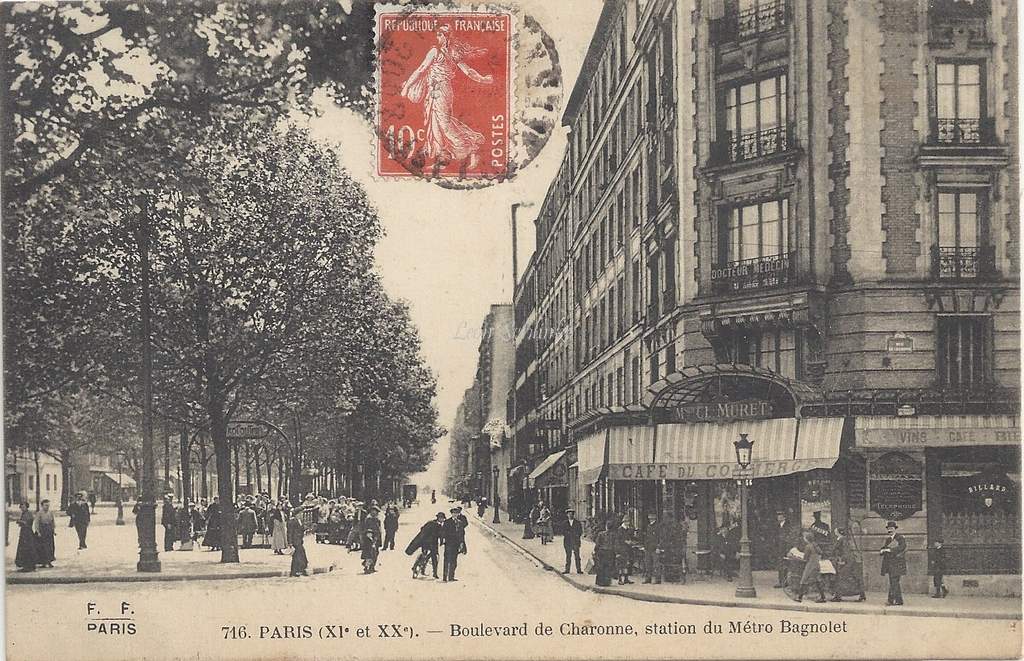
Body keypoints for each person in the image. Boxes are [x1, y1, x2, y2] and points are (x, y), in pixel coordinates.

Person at [830, 525, 866, 602]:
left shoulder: (841, 540)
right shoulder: (843, 539)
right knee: (851, 577)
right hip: (848, 560)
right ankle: (862, 594)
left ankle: (838, 596)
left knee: (841, 577)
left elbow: (844, 551)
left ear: (839, 533)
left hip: (846, 561)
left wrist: (843, 560)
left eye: (836, 531)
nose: (834, 531)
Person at [408, 512, 445, 579]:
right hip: (427, 543)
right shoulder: (432, 523)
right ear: (438, 518)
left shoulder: (436, 524)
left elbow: (441, 534)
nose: (442, 520)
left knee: (432, 557)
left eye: (443, 518)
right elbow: (423, 529)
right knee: (429, 556)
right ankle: (417, 567)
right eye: (441, 518)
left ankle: (433, 573)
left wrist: (442, 541)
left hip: (431, 543)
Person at [794, 531, 827, 603]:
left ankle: (799, 598)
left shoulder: (808, 546)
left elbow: (805, 558)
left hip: (810, 565)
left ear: (806, 539)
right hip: (817, 565)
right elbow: (820, 552)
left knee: (803, 580)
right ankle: (823, 597)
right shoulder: (815, 545)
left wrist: (797, 557)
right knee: (817, 580)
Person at [880, 520, 907, 606]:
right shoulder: (888, 539)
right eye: (888, 529)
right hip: (889, 564)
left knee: (894, 582)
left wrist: (890, 550)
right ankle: (895, 600)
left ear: (895, 529)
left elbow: (902, 547)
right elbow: (884, 548)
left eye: (891, 528)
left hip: (897, 563)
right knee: (893, 582)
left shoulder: (900, 538)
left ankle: (894, 600)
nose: (890, 530)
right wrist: (882, 550)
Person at [772, 510, 796, 588]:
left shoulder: (788, 526)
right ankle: (781, 581)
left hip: (786, 548)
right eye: (778, 515)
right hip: (779, 548)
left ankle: (784, 582)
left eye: (780, 515)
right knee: (780, 565)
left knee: (785, 565)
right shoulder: (777, 526)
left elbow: (789, 538)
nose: (778, 517)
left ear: (784, 517)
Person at [441, 507, 465, 582]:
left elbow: (462, 534)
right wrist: (443, 540)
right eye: (454, 513)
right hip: (448, 544)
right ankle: (445, 577)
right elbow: (443, 532)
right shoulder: (447, 522)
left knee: (454, 561)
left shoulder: (460, 523)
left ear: (458, 514)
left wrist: (461, 543)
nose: (455, 514)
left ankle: (451, 577)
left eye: (456, 513)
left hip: (456, 544)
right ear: (451, 514)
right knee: (447, 560)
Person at [642, 513, 664, 585]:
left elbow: (661, 538)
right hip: (648, 548)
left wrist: (658, 547)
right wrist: (645, 546)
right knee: (648, 564)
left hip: (655, 548)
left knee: (656, 564)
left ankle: (657, 579)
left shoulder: (658, 526)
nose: (650, 518)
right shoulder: (648, 526)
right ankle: (648, 578)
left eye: (651, 517)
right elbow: (647, 537)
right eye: (649, 517)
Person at [14, 501, 37, 572]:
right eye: (21, 507)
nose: (22, 508)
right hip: (24, 533)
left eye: (23, 507)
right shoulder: (24, 513)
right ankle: (26, 565)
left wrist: (19, 521)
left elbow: (27, 523)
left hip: (27, 533)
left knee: (27, 549)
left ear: (27, 506)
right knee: (24, 549)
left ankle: (29, 566)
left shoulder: (28, 513)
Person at [33, 499, 56, 568]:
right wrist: (38, 532)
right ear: (42, 506)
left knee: (50, 547)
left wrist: (53, 530)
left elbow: (52, 522)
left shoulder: (50, 512)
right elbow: (36, 523)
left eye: (48, 505)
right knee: (43, 547)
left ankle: (49, 561)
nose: (47, 507)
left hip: (49, 531)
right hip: (42, 531)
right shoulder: (39, 513)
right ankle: (43, 562)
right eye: (46, 505)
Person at [361, 506, 383, 573]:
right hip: (369, 538)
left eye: (375, 511)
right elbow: (365, 529)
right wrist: (368, 535)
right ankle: (366, 567)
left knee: (375, 553)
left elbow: (379, 529)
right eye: (373, 511)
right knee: (369, 553)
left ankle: (372, 567)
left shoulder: (377, 520)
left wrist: (378, 538)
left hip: (376, 538)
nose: (374, 512)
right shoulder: (368, 519)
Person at [612, 517, 634, 585]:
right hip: (621, 549)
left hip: (627, 549)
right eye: (627, 522)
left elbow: (630, 537)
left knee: (626, 565)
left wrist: (631, 541)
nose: (628, 523)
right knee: (620, 565)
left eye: (629, 522)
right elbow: (617, 541)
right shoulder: (620, 530)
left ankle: (626, 579)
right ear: (624, 522)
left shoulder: (628, 529)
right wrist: (617, 552)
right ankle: (620, 579)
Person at [594, 520, 616, 586]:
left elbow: (597, 544)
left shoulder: (601, 534)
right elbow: (615, 545)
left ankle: (600, 582)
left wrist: (595, 551)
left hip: (602, 552)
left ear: (606, 526)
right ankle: (607, 582)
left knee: (601, 567)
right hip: (610, 553)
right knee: (608, 567)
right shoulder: (614, 535)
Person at [287, 507, 308, 577]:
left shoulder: (300, 521)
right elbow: (290, 532)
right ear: (297, 514)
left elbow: (301, 530)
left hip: (299, 541)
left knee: (300, 556)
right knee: (297, 556)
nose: (302, 514)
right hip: (295, 541)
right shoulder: (292, 521)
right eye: (300, 513)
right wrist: (290, 543)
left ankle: (299, 570)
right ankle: (296, 571)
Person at [563, 508, 584, 574]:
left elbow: (580, 531)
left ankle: (579, 569)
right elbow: (563, 531)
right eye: (569, 514)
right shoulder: (565, 523)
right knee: (568, 556)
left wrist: (576, 535)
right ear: (567, 515)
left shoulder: (577, 523)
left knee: (577, 556)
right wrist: (568, 534)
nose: (570, 515)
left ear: (573, 515)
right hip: (567, 541)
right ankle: (567, 570)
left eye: (571, 514)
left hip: (575, 541)